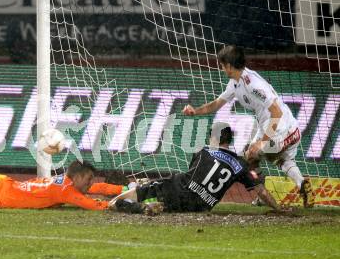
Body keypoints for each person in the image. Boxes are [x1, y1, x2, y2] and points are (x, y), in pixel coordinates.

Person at [182, 45, 315, 208]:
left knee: (253, 154)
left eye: (222, 65)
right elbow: (217, 104)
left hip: (284, 128)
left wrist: (262, 142)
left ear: (229, 66)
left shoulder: (254, 85)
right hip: (268, 126)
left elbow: (277, 112)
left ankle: (266, 194)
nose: (222, 69)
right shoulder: (235, 83)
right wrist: (195, 111)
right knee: (266, 159)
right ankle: (301, 185)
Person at [0, 128, 124, 210]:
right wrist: (119, 203)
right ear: (76, 177)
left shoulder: (62, 180)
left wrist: (125, 189)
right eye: (89, 179)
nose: (91, 183)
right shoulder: (66, 190)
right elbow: (91, 204)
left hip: (2, 185)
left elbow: (97, 189)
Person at [109, 122, 282, 215]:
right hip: (201, 206)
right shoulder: (240, 165)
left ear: (213, 138)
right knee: (171, 203)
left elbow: (192, 175)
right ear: (230, 140)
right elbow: (262, 192)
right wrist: (279, 209)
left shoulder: (202, 150)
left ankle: (127, 203)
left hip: (179, 191)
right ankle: (156, 205)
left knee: (120, 200)